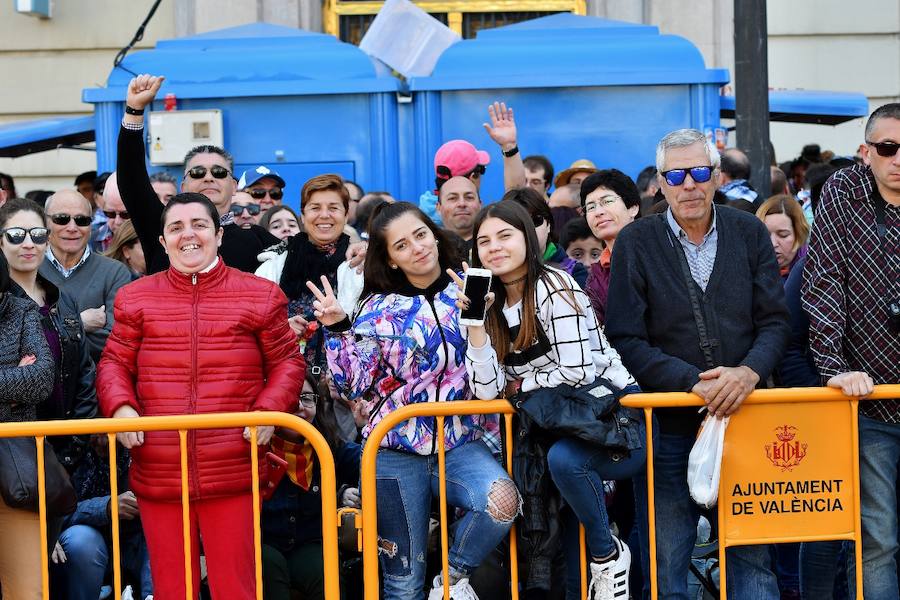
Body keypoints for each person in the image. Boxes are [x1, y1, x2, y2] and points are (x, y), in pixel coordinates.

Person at [605, 128, 790, 599]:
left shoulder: (748, 231)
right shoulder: (636, 241)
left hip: (745, 417)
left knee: (753, 559)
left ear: (716, 177)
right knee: (666, 561)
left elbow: (774, 322)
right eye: (677, 174)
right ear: (660, 185)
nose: (689, 184)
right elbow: (625, 336)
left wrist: (747, 373)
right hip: (667, 424)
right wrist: (694, 383)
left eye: (700, 172)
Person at [97, 192, 305, 599]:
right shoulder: (135, 298)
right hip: (159, 466)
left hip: (234, 463)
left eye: (199, 225)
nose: (187, 235)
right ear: (162, 241)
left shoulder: (260, 295)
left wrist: (268, 412)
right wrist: (120, 407)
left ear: (218, 235)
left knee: (236, 588)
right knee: (174, 589)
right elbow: (113, 364)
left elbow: (287, 363)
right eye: (175, 227)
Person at [311, 201, 518, 600]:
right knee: (403, 581)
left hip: (460, 443)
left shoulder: (473, 286)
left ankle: (452, 579)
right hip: (394, 449)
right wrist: (337, 326)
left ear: (434, 235)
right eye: (401, 245)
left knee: (501, 501)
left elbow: (498, 357)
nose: (417, 248)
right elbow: (354, 383)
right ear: (389, 260)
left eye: (420, 235)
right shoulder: (376, 308)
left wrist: (484, 317)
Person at [462, 200, 641, 600]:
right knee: (554, 538)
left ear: (527, 237)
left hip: (614, 419)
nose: (494, 247)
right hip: (552, 429)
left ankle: (607, 555)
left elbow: (577, 371)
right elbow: (487, 390)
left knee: (565, 463)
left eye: (505, 236)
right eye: (484, 241)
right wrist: (475, 327)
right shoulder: (488, 303)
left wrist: (521, 386)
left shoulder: (555, 285)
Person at [802, 103, 900, 600]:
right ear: (866, 152)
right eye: (888, 148)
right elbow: (822, 285)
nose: (898, 159)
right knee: (878, 537)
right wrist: (836, 370)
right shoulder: (842, 192)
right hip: (870, 400)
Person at [116, 74, 279, 274]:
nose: (208, 177)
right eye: (197, 172)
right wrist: (134, 110)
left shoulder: (257, 239)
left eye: (219, 172)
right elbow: (132, 181)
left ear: (234, 186)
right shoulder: (162, 227)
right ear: (182, 186)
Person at [1, 197, 97, 464]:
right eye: (16, 235)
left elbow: (84, 373)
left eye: (38, 234)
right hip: (14, 451)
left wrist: (78, 441)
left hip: (67, 446)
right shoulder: (4, 304)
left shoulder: (63, 300)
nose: (29, 244)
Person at [261, 371, 361, 600]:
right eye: (289, 397)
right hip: (264, 543)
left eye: (307, 398)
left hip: (308, 544)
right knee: (266, 564)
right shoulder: (254, 445)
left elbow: (368, 461)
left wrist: (364, 428)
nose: (299, 406)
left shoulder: (326, 444)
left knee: (325, 570)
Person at [256, 174, 363, 375]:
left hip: (350, 383)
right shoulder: (272, 266)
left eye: (333, 208)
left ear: (346, 215)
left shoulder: (360, 263)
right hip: (288, 381)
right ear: (303, 216)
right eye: (315, 208)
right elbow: (254, 328)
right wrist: (282, 329)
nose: (324, 215)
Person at [0, 251, 55, 599]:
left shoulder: (22, 313)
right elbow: (24, 380)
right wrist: (13, 385)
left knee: (28, 591)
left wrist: (27, 380)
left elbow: (41, 379)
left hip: (16, 470)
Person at [51, 434, 153, 600]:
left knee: (162, 529)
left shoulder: (143, 449)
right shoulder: (71, 452)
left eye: (106, 434)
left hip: (137, 548)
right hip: (89, 554)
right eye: (93, 433)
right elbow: (57, 514)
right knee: (81, 540)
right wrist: (105, 507)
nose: (99, 441)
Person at [38, 189, 132, 363]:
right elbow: (22, 340)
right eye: (61, 219)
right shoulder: (29, 271)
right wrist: (80, 322)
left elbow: (115, 342)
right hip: (42, 387)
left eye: (81, 220)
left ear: (91, 225)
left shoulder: (115, 273)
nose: (72, 228)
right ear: (46, 223)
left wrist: (50, 334)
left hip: (96, 386)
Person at [420, 102, 527, 224]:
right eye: (482, 170)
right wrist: (509, 147)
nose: (461, 204)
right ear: (473, 177)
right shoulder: (486, 226)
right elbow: (518, 197)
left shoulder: (418, 222)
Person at [580, 169, 641, 325]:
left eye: (607, 201)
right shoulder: (596, 277)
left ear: (633, 208)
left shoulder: (659, 251)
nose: (598, 212)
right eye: (590, 207)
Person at [502, 187, 587, 288]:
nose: (529, 229)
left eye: (535, 221)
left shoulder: (574, 273)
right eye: (518, 224)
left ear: (548, 225)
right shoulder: (495, 273)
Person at [755, 194, 809, 279]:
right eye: (765, 234)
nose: (773, 243)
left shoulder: (813, 272)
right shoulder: (748, 270)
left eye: (783, 235)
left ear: (799, 234)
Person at [437, 175, 482, 245]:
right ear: (439, 208)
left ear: (480, 205)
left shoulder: (494, 245)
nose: (462, 204)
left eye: (469, 197)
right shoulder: (430, 250)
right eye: (452, 198)